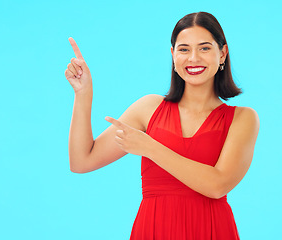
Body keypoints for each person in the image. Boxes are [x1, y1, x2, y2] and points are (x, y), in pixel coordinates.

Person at [66, 11, 259, 240]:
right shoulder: (148, 108)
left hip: (212, 230)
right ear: (173, 55)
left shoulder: (243, 118)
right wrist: (83, 93)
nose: (193, 58)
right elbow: (81, 161)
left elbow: (217, 185)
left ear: (222, 54)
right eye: (184, 49)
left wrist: (149, 147)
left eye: (205, 48)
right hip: (154, 230)